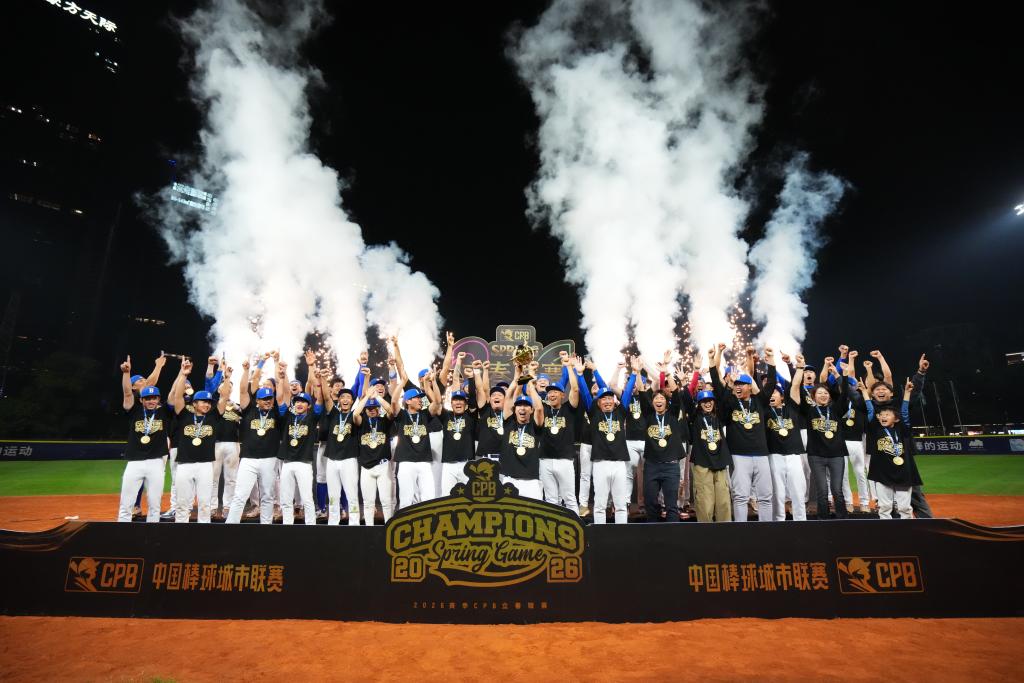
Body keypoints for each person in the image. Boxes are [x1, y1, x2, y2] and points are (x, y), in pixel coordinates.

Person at [711, 344, 772, 522]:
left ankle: (767, 531)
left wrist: (770, 362)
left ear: (749, 387)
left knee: (765, 497)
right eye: (736, 384)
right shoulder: (730, 402)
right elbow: (718, 386)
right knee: (740, 496)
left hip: (761, 455)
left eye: (741, 384)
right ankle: (741, 531)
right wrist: (715, 357)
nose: (738, 386)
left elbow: (768, 384)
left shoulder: (758, 402)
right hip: (738, 455)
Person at [791, 354, 851, 520]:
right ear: (813, 396)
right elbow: (796, 388)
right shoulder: (809, 411)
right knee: (822, 491)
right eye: (819, 393)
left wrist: (843, 376)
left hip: (836, 455)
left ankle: (843, 520)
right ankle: (823, 521)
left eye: (826, 393)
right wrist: (799, 368)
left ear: (829, 396)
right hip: (816, 455)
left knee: (837, 490)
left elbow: (845, 394)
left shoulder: (836, 410)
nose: (823, 395)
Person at [170, 358, 229, 523]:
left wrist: (227, 378)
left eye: (209, 402)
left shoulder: (213, 417)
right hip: (184, 464)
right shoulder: (184, 415)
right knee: (182, 504)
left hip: (205, 465)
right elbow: (177, 396)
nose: (207, 405)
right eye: (204, 401)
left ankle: (204, 532)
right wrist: (183, 375)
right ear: (194, 403)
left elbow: (224, 398)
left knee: (204, 504)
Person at [117, 355, 174, 522]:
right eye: (140, 381)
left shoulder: (161, 410)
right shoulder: (134, 406)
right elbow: (128, 392)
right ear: (140, 396)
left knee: (155, 504)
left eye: (154, 397)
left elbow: (152, 386)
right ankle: (123, 529)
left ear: (158, 399)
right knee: (125, 504)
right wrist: (126, 373)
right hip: (135, 459)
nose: (145, 382)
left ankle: (152, 533)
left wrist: (160, 367)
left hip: (156, 457)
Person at [863, 378, 923, 518]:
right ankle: (887, 530)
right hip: (882, 472)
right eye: (881, 415)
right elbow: (870, 410)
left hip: (903, 472)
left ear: (896, 419)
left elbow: (904, 413)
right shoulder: (875, 429)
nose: (883, 417)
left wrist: (907, 393)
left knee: (904, 508)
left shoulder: (902, 430)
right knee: (884, 507)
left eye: (887, 415)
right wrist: (865, 393)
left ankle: (907, 529)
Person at [587, 357, 638, 524]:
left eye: (610, 398)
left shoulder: (620, 412)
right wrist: (581, 375)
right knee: (600, 505)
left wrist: (634, 373)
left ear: (614, 401)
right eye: (604, 398)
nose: (608, 401)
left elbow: (628, 392)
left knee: (621, 504)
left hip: (619, 463)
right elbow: (586, 394)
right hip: (600, 463)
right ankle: (600, 535)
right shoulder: (594, 414)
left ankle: (621, 534)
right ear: (598, 402)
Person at [276, 360, 323, 525]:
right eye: (297, 402)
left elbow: (319, 399)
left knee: (307, 498)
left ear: (308, 406)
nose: (299, 404)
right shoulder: (288, 416)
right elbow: (280, 398)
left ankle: (310, 526)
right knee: (285, 499)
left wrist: (317, 379)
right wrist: (281, 378)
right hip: (287, 462)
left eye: (303, 402)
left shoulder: (312, 417)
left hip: (304, 463)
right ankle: (287, 526)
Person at [763, 348, 807, 520]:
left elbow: (795, 386)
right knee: (777, 493)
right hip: (774, 455)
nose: (772, 394)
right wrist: (770, 362)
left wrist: (800, 367)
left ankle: (801, 521)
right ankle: (778, 522)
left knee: (798, 491)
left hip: (794, 454)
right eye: (770, 392)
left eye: (775, 392)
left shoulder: (792, 408)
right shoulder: (764, 411)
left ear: (782, 396)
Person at [321, 368, 367, 525]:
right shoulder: (334, 414)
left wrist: (367, 389)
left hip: (349, 460)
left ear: (352, 401)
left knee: (351, 494)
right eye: (342, 397)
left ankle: (354, 524)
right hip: (332, 460)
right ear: (339, 400)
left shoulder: (355, 416)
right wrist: (323, 378)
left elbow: (361, 404)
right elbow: (326, 397)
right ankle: (333, 523)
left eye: (348, 397)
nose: (345, 399)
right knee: (333, 495)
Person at [538, 356, 582, 514]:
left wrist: (569, 367)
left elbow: (575, 389)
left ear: (563, 395)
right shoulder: (543, 409)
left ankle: (576, 527)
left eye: (555, 392)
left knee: (569, 498)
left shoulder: (568, 409)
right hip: (545, 459)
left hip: (564, 460)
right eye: (550, 392)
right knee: (550, 500)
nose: (552, 395)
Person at [638, 380, 688, 523]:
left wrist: (667, 374)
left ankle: (673, 534)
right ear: (652, 402)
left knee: (671, 506)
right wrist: (637, 372)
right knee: (650, 503)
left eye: (662, 398)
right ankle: (653, 533)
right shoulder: (649, 415)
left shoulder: (672, 414)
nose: (659, 400)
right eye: (656, 398)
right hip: (652, 466)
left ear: (667, 402)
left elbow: (676, 394)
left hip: (671, 466)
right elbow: (642, 394)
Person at [498, 371, 546, 499]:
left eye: (526, 406)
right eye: (519, 406)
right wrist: (517, 378)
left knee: (534, 511)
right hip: (510, 479)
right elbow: (508, 397)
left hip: (531, 481)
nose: (522, 408)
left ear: (531, 410)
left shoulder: (535, 426)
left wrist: (530, 385)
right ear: (515, 410)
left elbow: (539, 408)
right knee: (508, 511)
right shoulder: (509, 423)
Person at [689, 384, 732, 522]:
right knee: (705, 504)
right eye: (704, 401)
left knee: (723, 503)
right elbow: (686, 401)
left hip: (720, 463)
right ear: (699, 404)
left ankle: (725, 532)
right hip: (702, 464)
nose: (708, 404)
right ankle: (705, 532)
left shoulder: (719, 417)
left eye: (710, 401)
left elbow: (725, 402)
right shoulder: (695, 419)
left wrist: (729, 387)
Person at [427, 378, 478, 495]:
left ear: (465, 404)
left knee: (468, 498)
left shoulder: (471, 416)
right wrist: (434, 382)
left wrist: (471, 378)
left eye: (461, 400)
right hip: (449, 465)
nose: (458, 403)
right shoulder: (446, 416)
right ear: (451, 403)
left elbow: (473, 399)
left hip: (467, 464)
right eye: (455, 400)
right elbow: (437, 402)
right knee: (447, 497)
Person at [391, 383, 435, 509]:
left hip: (424, 462)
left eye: (421, 398)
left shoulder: (425, 414)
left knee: (428, 498)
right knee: (406, 500)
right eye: (417, 398)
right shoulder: (402, 415)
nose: (420, 400)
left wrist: (429, 385)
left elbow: (436, 403)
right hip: (406, 462)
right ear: (408, 401)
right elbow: (393, 401)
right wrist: (402, 383)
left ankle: (429, 521)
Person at [354, 388, 394, 525]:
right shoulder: (362, 423)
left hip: (383, 465)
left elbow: (391, 411)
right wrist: (366, 397)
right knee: (368, 502)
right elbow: (356, 414)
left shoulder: (384, 421)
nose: (371, 410)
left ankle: (388, 528)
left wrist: (377, 397)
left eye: (374, 408)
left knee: (386, 501)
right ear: (365, 410)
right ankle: (368, 530)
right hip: (366, 467)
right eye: (369, 408)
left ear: (378, 409)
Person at [210, 364, 241, 520]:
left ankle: (228, 507)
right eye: (224, 387)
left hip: (233, 443)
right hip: (215, 443)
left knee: (231, 478)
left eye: (229, 387)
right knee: (213, 477)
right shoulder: (212, 403)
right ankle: (212, 507)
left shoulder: (238, 407)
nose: (227, 389)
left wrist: (238, 409)